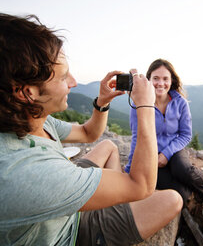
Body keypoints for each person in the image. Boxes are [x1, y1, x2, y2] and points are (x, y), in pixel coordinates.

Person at [0, 13, 183, 246]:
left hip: (62, 195)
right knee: (172, 200)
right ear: (27, 93)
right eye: (63, 76)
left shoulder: (34, 120)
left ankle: (114, 197)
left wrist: (102, 102)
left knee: (107, 145)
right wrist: (146, 106)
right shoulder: (22, 172)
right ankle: (115, 205)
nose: (74, 82)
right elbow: (143, 186)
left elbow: (89, 133)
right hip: (70, 231)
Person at [125, 59, 203, 219]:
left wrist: (166, 154)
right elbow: (136, 136)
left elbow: (185, 134)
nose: (160, 83)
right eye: (156, 78)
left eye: (165, 79)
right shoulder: (139, 104)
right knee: (179, 193)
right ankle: (190, 192)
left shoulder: (180, 103)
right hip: (150, 154)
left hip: (174, 149)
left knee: (181, 168)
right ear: (148, 80)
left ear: (171, 80)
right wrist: (130, 169)